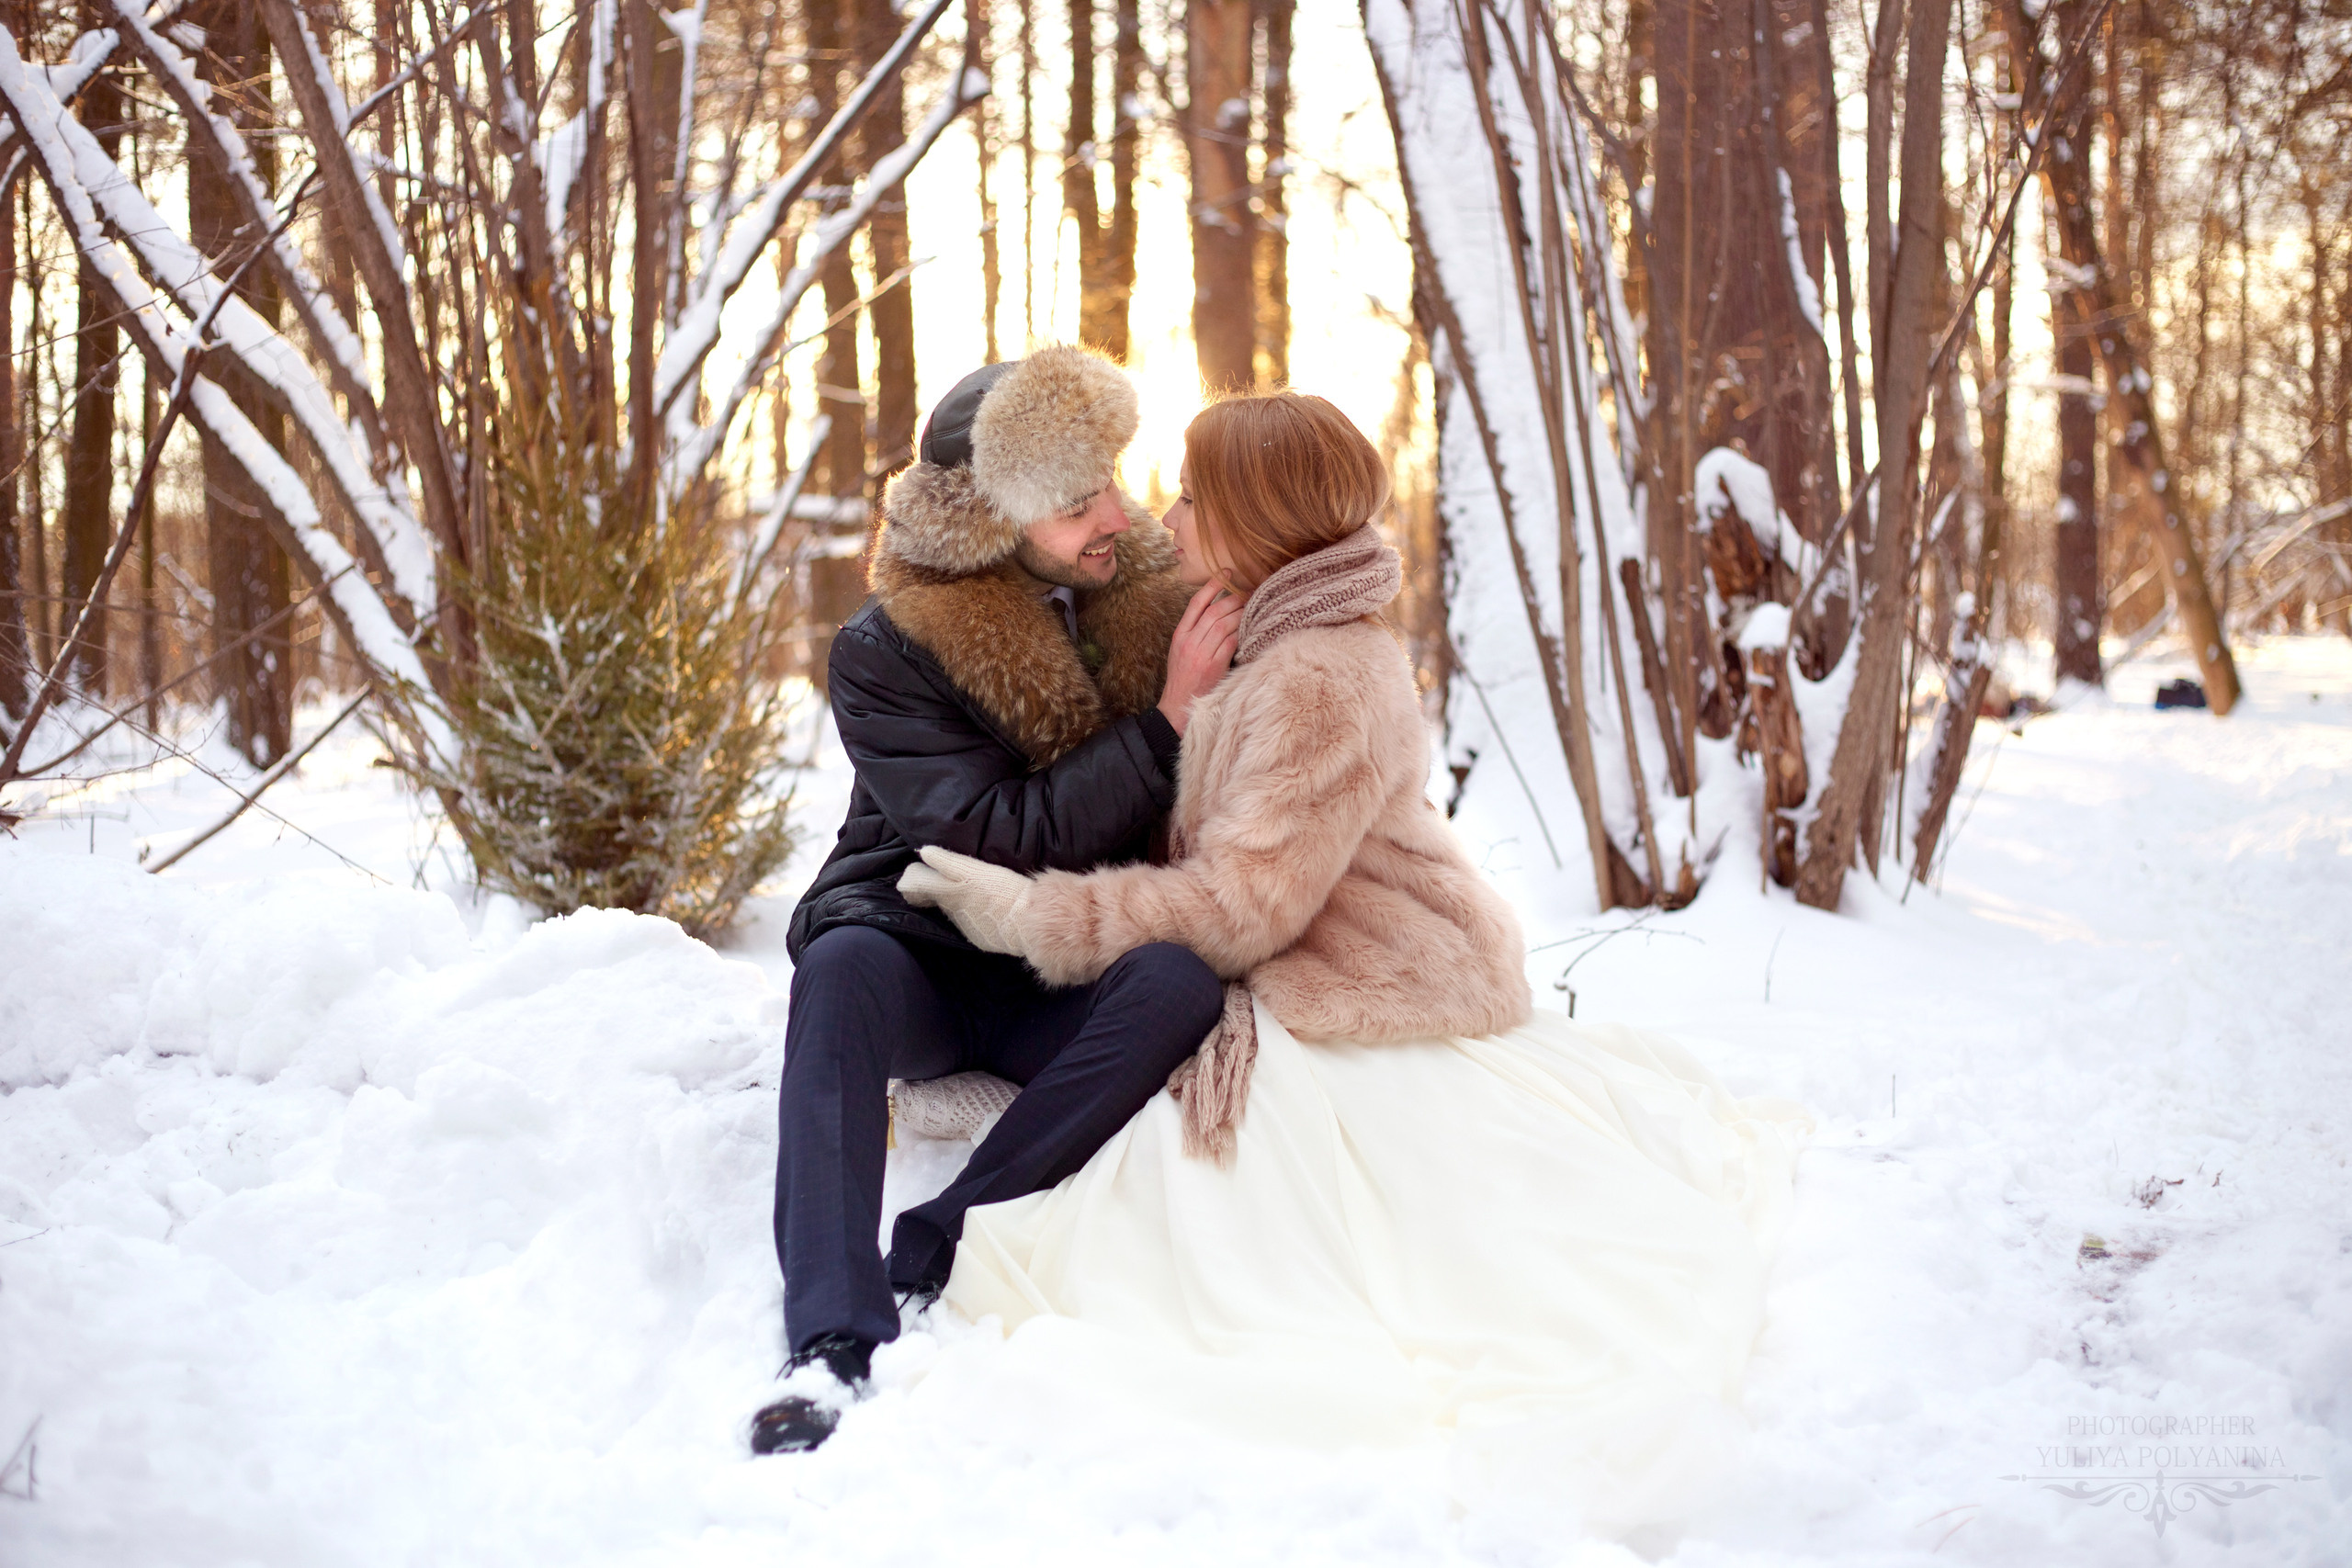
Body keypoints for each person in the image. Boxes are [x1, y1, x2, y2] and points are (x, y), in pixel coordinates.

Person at [899, 392, 1808, 1529]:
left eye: (1194, 496)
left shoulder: (1317, 673)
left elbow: (1239, 907)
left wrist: (1033, 918)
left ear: (1254, 518)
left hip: (1371, 966)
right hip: (1303, 942)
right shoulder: (1254, 628)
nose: (1165, 520)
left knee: (1230, 1216)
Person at [752, 346, 1243, 1455]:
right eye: (1077, 504)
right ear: (992, 513)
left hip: (1059, 962)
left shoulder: (1155, 597)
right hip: (917, 937)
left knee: (1178, 979)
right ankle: (830, 1335)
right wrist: (1164, 722)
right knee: (837, 967)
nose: (1113, 515)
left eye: (1112, 482)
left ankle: (941, 1235)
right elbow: (992, 836)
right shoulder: (884, 650)